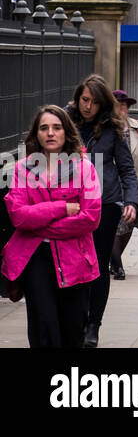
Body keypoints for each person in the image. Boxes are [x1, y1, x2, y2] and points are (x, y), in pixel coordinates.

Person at [2, 106, 103, 348]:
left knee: (72, 332)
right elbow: (19, 216)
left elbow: (90, 218)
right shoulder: (22, 169)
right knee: (43, 331)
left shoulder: (84, 168)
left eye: (56, 127)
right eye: (44, 128)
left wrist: (38, 225)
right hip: (36, 258)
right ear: (36, 134)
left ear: (66, 132)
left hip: (75, 259)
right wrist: (60, 209)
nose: (50, 133)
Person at [73, 74, 138, 348]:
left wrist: (131, 202)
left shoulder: (112, 128)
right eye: (84, 100)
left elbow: (126, 168)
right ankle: (77, 318)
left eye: (95, 102)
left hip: (105, 203)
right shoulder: (64, 122)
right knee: (75, 264)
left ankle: (93, 325)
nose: (88, 106)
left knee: (98, 266)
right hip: (72, 203)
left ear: (103, 104)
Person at [108, 92, 138, 280]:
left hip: (135, 184)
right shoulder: (106, 129)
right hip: (113, 185)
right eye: (118, 105)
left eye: (125, 105)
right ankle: (117, 265)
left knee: (129, 223)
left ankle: (114, 259)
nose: (122, 109)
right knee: (113, 226)